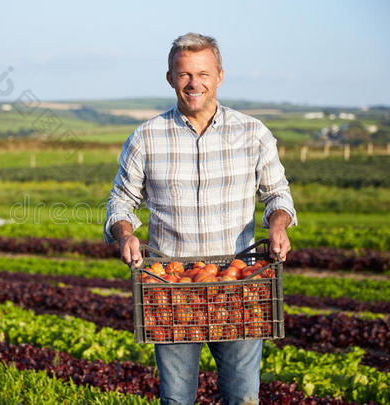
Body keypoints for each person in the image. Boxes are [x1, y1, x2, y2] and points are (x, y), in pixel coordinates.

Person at [103, 32, 297, 405]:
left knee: (242, 397)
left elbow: (278, 194)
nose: (194, 84)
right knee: (177, 399)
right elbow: (120, 202)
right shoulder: (146, 137)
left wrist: (277, 224)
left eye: (203, 74)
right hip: (171, 285)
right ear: (170, 78)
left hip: (238, 282)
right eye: (184, 74)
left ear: (220, 76)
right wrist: (125, 233)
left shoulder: (252, 133)